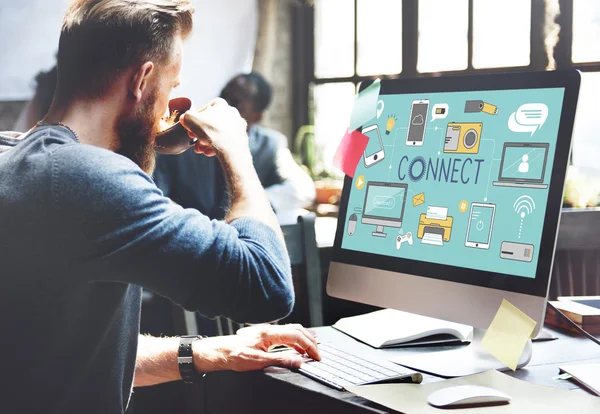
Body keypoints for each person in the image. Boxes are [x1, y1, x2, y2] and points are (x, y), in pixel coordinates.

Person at [0, 1, 319, 413]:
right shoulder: (86, 177)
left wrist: (215, 351)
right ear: (142, 80)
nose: (168, 105)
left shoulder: (16, 156)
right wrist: (237, 151)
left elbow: (66, 354)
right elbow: (267, 286)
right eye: (171, 87)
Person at [154, 72, 316, 223]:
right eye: (223, 96)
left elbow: (302, 188)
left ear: (257, 116)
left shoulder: (270, 145)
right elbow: (157, 196)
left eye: (236, 102)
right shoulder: (183, 141)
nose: (224, 104)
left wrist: (250, 205)